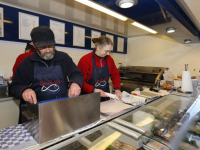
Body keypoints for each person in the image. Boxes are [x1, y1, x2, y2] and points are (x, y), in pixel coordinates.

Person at [11, 26, 83, 123]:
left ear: (54, 40)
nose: (48, 50)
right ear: (33, 45)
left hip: (61, 110)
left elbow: (76, 73)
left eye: (50, 45)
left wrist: (76, 83)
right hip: (36, 114)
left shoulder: (64, 58)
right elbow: (15, 86)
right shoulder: (27, 62)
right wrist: (24, 90)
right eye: (43, 47)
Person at [78, 36, 122, 102]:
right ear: (98, 47)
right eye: (106, 51)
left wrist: (117, 88)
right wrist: (93, 90)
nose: (108, 54)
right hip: (89, 97)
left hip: (105, 97)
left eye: (109, 51)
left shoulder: (109, 59)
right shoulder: (85, 60)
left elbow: (115, 74)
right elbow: (79, 81)